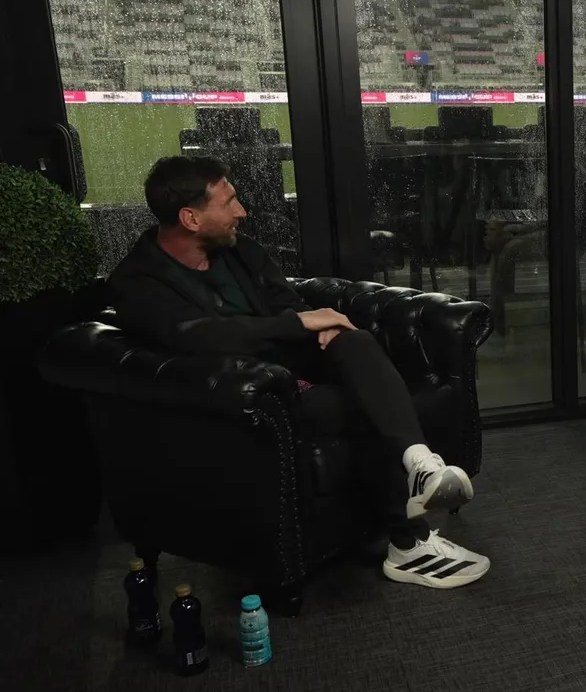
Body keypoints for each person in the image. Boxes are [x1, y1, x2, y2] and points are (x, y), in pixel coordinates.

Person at [108, 156, 490, 590]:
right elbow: (200, 337)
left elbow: (286, 302)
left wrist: (317, 324)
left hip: (298, 365)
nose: (241, 212)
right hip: (250, 398)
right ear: (190, 218)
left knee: (355, 341)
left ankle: (421, 465)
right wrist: (298, 323)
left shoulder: (240, 251)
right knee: (367, 402)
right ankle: (409, 542)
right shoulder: (137, 282)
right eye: (228, 202)